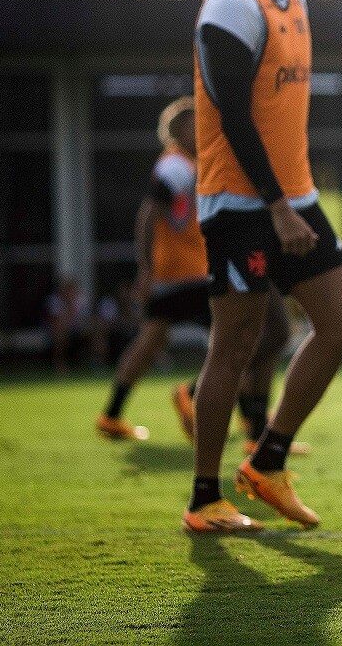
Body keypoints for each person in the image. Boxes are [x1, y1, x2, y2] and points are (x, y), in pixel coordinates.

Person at [182, 0, 342, 533]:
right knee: (233, 344)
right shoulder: (231, 4)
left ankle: (267, 462)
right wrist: (274, 206)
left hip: (296, 197)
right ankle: (205, 498)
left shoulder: (297, 2)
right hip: (240, 204)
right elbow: (231, 115)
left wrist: (293, 202)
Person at [95, 96, 302, 448]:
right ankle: (233, 415)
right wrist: (146, 268)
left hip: (181, 271)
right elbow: (149, 215)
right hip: (188, 273)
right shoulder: (176, 166)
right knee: (244, 338)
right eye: (196, 123)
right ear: (179, 131)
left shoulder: (192, 163)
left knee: (154, 340)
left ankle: (112, 415)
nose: (205, 128)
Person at [45, 276, 95, 373]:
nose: (70, 293)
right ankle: (59, 364)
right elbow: (57, 323)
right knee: (59, 334)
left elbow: (88, 319)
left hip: (78, 331)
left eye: (72, 290)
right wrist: (70, 307)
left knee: (96, 332)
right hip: (56, 332)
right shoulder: (54, 301)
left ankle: (95, 363)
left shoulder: (81, 300)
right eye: (67, 290)